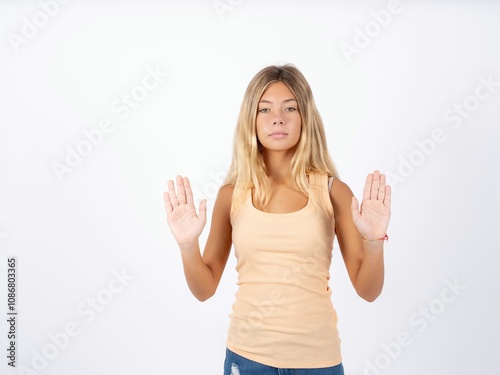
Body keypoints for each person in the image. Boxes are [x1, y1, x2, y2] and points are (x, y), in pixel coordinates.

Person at [163, 64, 391, 374]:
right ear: (251, 120)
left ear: (305, 118)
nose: (277, 118)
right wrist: (188, 245)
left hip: (318, 361)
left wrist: (375, 240)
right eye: (264, 109)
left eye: (290, 108)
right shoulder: (232, 194)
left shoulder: (333, 192)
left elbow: (368, 291)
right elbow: (204, 290)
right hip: (247, 358)